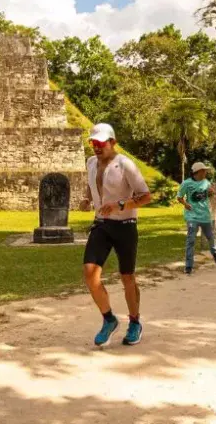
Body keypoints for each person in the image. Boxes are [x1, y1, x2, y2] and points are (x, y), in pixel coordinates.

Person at [80, 123, 153, 347]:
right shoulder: (91, 163)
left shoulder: (125, 165)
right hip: (101, 224)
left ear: (113, 142)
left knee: (127, 276)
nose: (97, 147)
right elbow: (93, 186)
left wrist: (120, 204)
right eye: (94, 143)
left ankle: (134, 322)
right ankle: (109, 319)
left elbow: (145, 196)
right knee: (90, 273)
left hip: (125, 224)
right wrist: (87, 199)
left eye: (101, 142)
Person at [177, 162, 216, 275]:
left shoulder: (207, 183)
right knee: (190, 240)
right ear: (197, 172)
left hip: (205, 216)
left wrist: (211, 193)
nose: (206, 172)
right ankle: (188, 266)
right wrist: (185, 204)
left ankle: (214, 252)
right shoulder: (186, 184)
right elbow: (179, 197)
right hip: (192, 216)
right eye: (204, 170)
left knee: (211, 237)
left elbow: (210, 195)